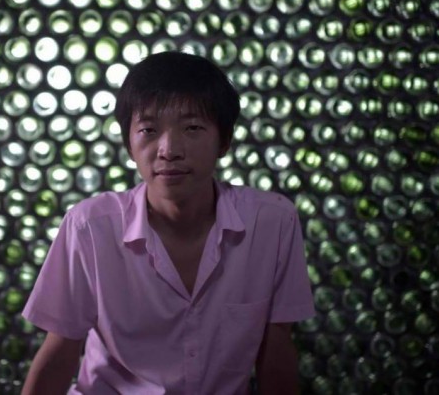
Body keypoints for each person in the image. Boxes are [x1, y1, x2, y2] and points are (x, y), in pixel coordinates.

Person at [21, 51, 315, 395]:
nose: (169, 149)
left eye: (192, 128)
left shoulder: (272, 223)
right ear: (128, 143)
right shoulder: (90, 226)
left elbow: (277, 350)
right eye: (149, 130)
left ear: (224, 141)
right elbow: (60, 349)